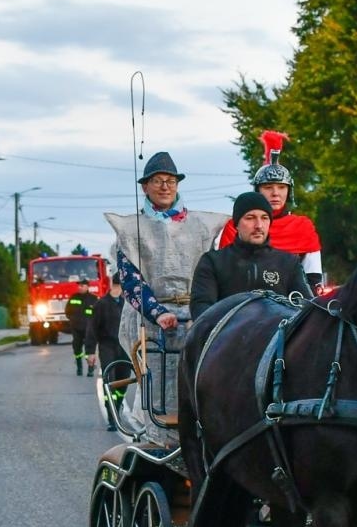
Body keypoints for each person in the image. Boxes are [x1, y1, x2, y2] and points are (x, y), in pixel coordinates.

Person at [103, 151, 225, 429]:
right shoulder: (132, 229)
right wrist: (156, 312)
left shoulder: (201, 226)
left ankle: (198, 436)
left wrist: (202, 311)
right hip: (150, 320)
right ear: (145, 187)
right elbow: (131, 281)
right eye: (157, 180)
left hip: (195, 314)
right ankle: (157, 436)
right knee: (156, 382)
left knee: (199, 377)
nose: (165, 186)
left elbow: (209, 271)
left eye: (170, 180)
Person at [214, 131, 324, 289]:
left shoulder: (303, 227)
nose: (275, 193)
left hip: (293, 303)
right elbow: (222, 273)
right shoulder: (235, 226)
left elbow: (313, 278)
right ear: (258, 190)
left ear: (289, 191)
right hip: (243, 301)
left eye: (281, 187)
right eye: (268, 187)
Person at [191, 192, 311, 320]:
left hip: (278, 337)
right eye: (250, 218)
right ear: (236, 224)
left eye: (264, 218)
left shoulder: (288, 263)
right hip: (228, 337)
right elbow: (202, 309)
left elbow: (307, 309)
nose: (258, 225)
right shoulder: (213, 262)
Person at [84, 277, 126, 431]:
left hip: (124, 349)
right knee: (110, 381)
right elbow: (92, 329)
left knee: (124, 381)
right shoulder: (101, 304)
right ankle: (112, 417)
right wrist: (90, 352)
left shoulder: (126, 304)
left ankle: (118, 407)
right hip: (107, 346)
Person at [64, 281, 95, 377]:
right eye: (79, 286)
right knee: (77, 348)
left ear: (87, 287)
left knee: (89, 350)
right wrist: (73, 320)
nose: (80, 287)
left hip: (89, 329)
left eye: (82, 286)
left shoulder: (93, 299)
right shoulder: (73, 298)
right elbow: (67, 311)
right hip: (76, 328)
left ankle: (90, 369)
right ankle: (79, 368)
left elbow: (98, 314)